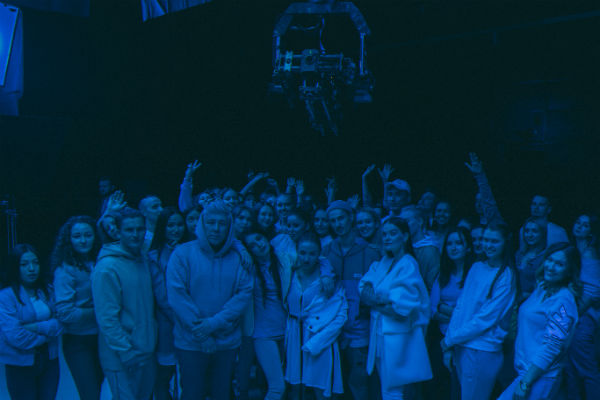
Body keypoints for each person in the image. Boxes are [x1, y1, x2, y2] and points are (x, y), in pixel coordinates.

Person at [167, 200, 253, 400]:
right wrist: (203, 335)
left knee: (221, 393)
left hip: (227, 343)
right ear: (202, 224)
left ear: (229, 226)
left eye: (222, 223)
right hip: (190, 342)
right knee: (192, 394)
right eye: (211, 222)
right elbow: (177, 297)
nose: (216, 228)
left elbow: (242, 296)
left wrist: (213, 324)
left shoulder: (240, 258)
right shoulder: (182, 254)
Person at [441, 221, 516, 400]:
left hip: (482, 348)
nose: (488, 245)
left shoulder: (506, 275)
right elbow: (461, 307)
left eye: (494, 241)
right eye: (486, 240)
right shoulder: (476, 267)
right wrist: (450, 341)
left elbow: (486, 318)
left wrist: (451, 339)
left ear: (505, 243)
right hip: (462, 344)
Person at [359, 217, 432, 400]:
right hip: (379, 333)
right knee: (385, 388)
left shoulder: (408, 264)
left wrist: (374, 300)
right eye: (384, 234)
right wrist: (381, 299)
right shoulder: (383, 262)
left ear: (405, 236)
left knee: (393, 390)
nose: (387, 238)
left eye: (393, 233)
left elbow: (400, 310)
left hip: (397, 336)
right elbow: (363, 288)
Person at [498, 243, 580, 400]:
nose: (551, 267)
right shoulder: (542, 287)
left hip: (539, 377)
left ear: (569, 270)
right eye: (550, 260)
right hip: (526, 372)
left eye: (559, 264)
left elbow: (552, 346)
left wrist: (525, 382)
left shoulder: (563, 301)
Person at [92, 208, 157, 400]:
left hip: (145, 350)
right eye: (129, 230)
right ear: (118, 232)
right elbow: (107, 318)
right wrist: (126, 352)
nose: (135, 234)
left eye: (140, 229)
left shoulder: (142, 259)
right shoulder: (107, 268)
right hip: (123, 355)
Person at [322, 200, 381, 400]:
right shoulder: (326, 251)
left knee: (359, 382)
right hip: (333, 328)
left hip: (360, 328)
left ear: (350, 218)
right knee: (334, 384)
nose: (337, 224)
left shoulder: (370, 252)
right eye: (333, 221)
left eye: (341, 218)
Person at [285, 232, 348, 399]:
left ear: (319, 254)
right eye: (302, 253)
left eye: (312, 253)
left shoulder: (327, 278)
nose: (306, 258)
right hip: (294, 335)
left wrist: (321, 339)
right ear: (297, 252)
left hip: (319, 337)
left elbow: (341, 313)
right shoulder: (288, 273)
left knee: (320, 389)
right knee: (295, 388)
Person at [0, 244, 63, 400]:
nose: (31, 268)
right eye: (24, 264)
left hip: (50, 360)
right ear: (15, 267)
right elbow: (16, 336)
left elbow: (60, 322)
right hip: (20, 364)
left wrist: (35, 327)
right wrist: (47, 336)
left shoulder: (47, 290)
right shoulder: (5, 297)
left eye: (35, 263)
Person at [51, 216, 104, 400]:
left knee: (99, 390)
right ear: (69, 239)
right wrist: (99, 312)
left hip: (102, 337)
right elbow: (65, 313)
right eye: (77, 236)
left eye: (88, 235)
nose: (83, 240)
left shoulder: (100, 260)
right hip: (78, 340)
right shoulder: (64, 270)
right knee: (90, 394)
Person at [242, 230, 294, 400]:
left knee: (288, 384)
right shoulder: (248, 268)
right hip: (263, 334)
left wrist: (326, 274)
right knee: (277, 387)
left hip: (287, 330)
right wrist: (241, 250)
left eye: (259, 238)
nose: (259, 245)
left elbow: (316, 259)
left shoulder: (283, 259)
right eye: (252, 245)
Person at [428, 227, 474, 400]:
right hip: (442, 337)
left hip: (466, 340)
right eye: (449, 243)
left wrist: (444, 308)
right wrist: (455, 313)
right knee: (441, 389)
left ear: (467, 247)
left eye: (458, 243)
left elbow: (472, 315)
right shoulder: (442, 275)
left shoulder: (475, 274)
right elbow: (433, 310)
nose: (453, 247)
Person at [147, 207, 187, 400]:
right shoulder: (154, 256)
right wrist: (183, 320)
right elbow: (162, 296)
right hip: (167, 323)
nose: (175, 229)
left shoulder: (191, 249)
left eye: (179, 224)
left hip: (191, 321)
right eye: (170, 225)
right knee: (164, 376)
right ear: (162, 227)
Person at [565, 213, 600, 400]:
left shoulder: (589, 253)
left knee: (587, 369)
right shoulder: (574, 250)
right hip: (574, 315)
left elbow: (594, 291)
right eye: (578, 222)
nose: (579, 226)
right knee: (570, 369)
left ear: (591, 232)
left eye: (585, 225)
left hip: (584, 317)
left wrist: (576, 314)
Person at [400, 205, 440, 292]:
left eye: (407, 221)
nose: (402, 226)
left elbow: (431, 283)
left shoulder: (430, 250)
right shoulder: (401, 246)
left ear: (419, 221)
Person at [515, 218, 547, 300]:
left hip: (532, 300)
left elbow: (544, 288)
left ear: (542, 233)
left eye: (534, 231)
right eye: (527, 231)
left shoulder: (545, 256)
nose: (530, 235)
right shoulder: (519, 254)